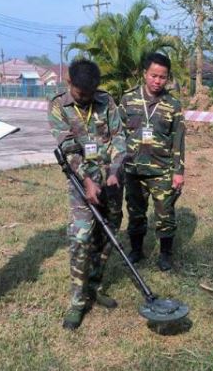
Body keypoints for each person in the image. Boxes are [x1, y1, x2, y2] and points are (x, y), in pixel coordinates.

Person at [48, 59, 126, 330]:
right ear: (70, 83)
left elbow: (119, 138)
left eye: (91, 93)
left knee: (109, 233)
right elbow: (68, 147)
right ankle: (78, 302)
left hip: (112, 181)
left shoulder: (106, 101)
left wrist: (115, 170)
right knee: (81, 237)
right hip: (82, 182)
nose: (86, 99)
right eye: (82, 94)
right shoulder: (59, 105)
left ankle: (95, 285)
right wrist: (88, 181)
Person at [119, 53, 185, 272]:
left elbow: (178, 139)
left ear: (167, 78)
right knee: (135, 212)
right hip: (133, 168)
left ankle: (166, 254)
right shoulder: (128, 99)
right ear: (144, 74)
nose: (157, 81)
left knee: (165, 213)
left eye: (162, 77)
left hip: (162, 169)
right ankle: (136, 250)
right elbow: (117, 134)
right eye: (153, 75)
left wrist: (178, 171)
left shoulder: (172, 104)